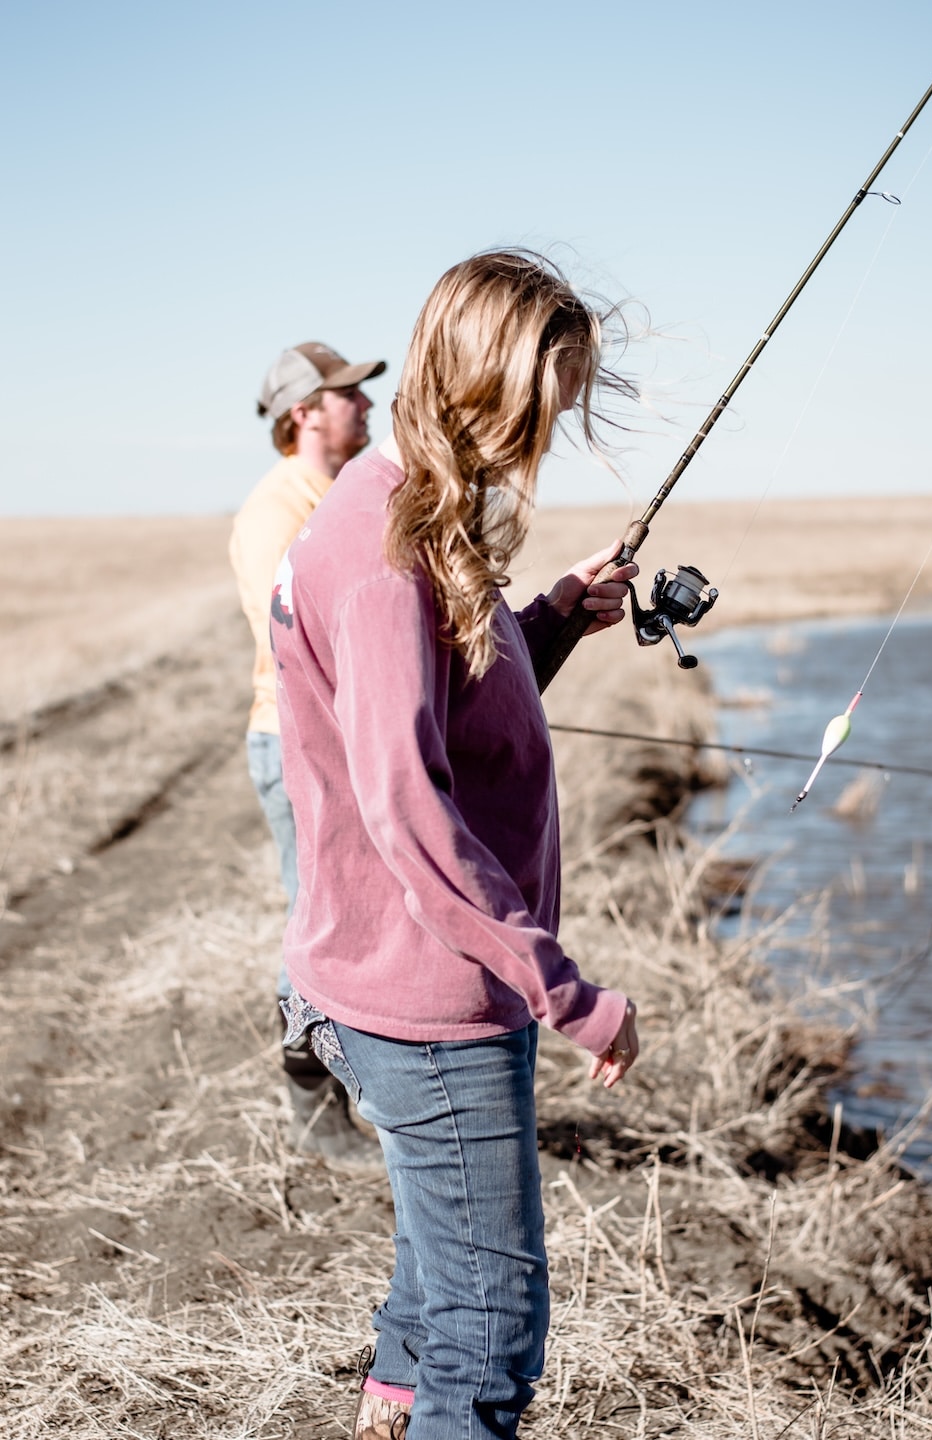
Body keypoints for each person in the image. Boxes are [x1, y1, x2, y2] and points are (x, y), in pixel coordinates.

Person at [271, 252, 641, 1439]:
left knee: (448, 1273)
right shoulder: (387, 553)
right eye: (547, 406)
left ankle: (389, 1401)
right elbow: (410, 810)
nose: (549, 438)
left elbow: (446, 696)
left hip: (416, 977)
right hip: (426, 996)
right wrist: (566, 991)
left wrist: (546, 622)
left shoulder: (401, 507)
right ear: (490, 385)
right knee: (491, 1335)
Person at [229, 341, 386, 1168]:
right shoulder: (275, 511)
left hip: (343, 740)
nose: (365, 404)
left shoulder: (335, 494)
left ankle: (367, 1091)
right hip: (297, 745)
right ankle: (314, 1108)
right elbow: (296, 643)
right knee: (317, 927)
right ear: (304, 414)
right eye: (348, 394)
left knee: (353, 919)